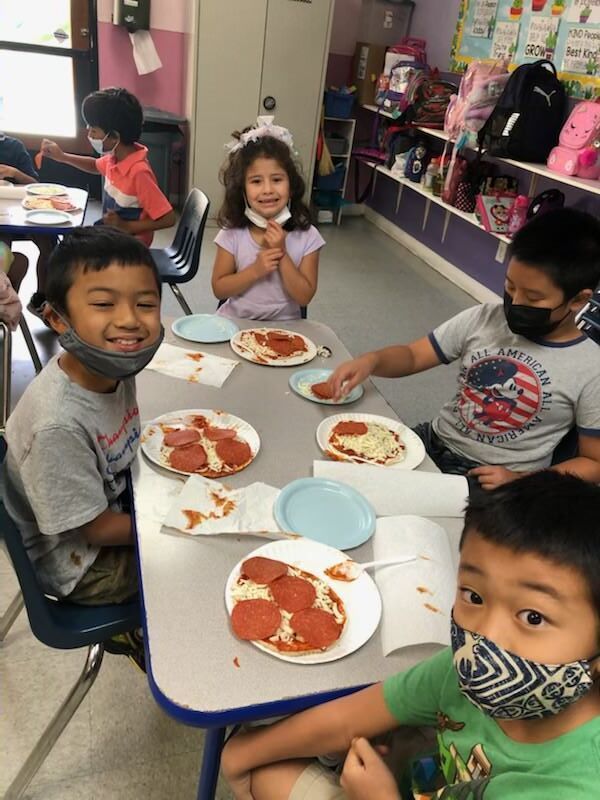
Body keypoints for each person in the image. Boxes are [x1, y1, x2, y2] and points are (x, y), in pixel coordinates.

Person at [221, 470, 600, 799]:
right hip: (415, 781)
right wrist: (240, 753)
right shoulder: (461, 669)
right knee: (264, 764)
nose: (486, 636)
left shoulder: (574, 786)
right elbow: (349, 717)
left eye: (533, 616)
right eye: (475, 595)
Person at [328, 208, 600, 490]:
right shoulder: (484, 318)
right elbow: (413, 356)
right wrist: (372, 361)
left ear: (578, 300)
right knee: (349, 478)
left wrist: (520, 480)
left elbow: (594, 463)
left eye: (533, 297)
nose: (515, 303)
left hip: (500, 479)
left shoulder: (591, 368)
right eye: (510, 287)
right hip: (435, 441)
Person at [1, 226, 163, 611]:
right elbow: (96, 529)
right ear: (57, 319)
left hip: (112, 502)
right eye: (104, 304)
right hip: (81, 563)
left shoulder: (112, 364)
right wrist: (172, 526)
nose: (129, 321)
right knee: (198, 569)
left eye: (145, 304)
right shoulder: (57, 425)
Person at [212, 117, 325, 320]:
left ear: (291, 186)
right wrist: (255, 270)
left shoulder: (308, 236)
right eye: (256, 181)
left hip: (285, 331)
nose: (267, 190)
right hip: (235, 324)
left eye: (277, 179)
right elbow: (219, 290)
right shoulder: (232, 233)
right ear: (243, 191)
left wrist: (281, 253)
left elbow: (304, 297)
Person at [40, 86, 175, 254]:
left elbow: (168, 218)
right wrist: (62, 157)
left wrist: (128, 226)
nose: (89, 134)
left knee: (69, 254)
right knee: (64, 245)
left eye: (94, 130)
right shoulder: (115, 158)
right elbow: (94, 165)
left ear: (114, 137)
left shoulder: (138, 172)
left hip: (129, 247)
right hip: (112, 235)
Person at [0, 131, 57, 315]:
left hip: (17, 211)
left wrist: (15, 173)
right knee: (6, 247)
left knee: (47, 239)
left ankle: (42, 298)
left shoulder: (13, 147)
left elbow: (35, 184)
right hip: (4, 224)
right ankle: (5, 310)